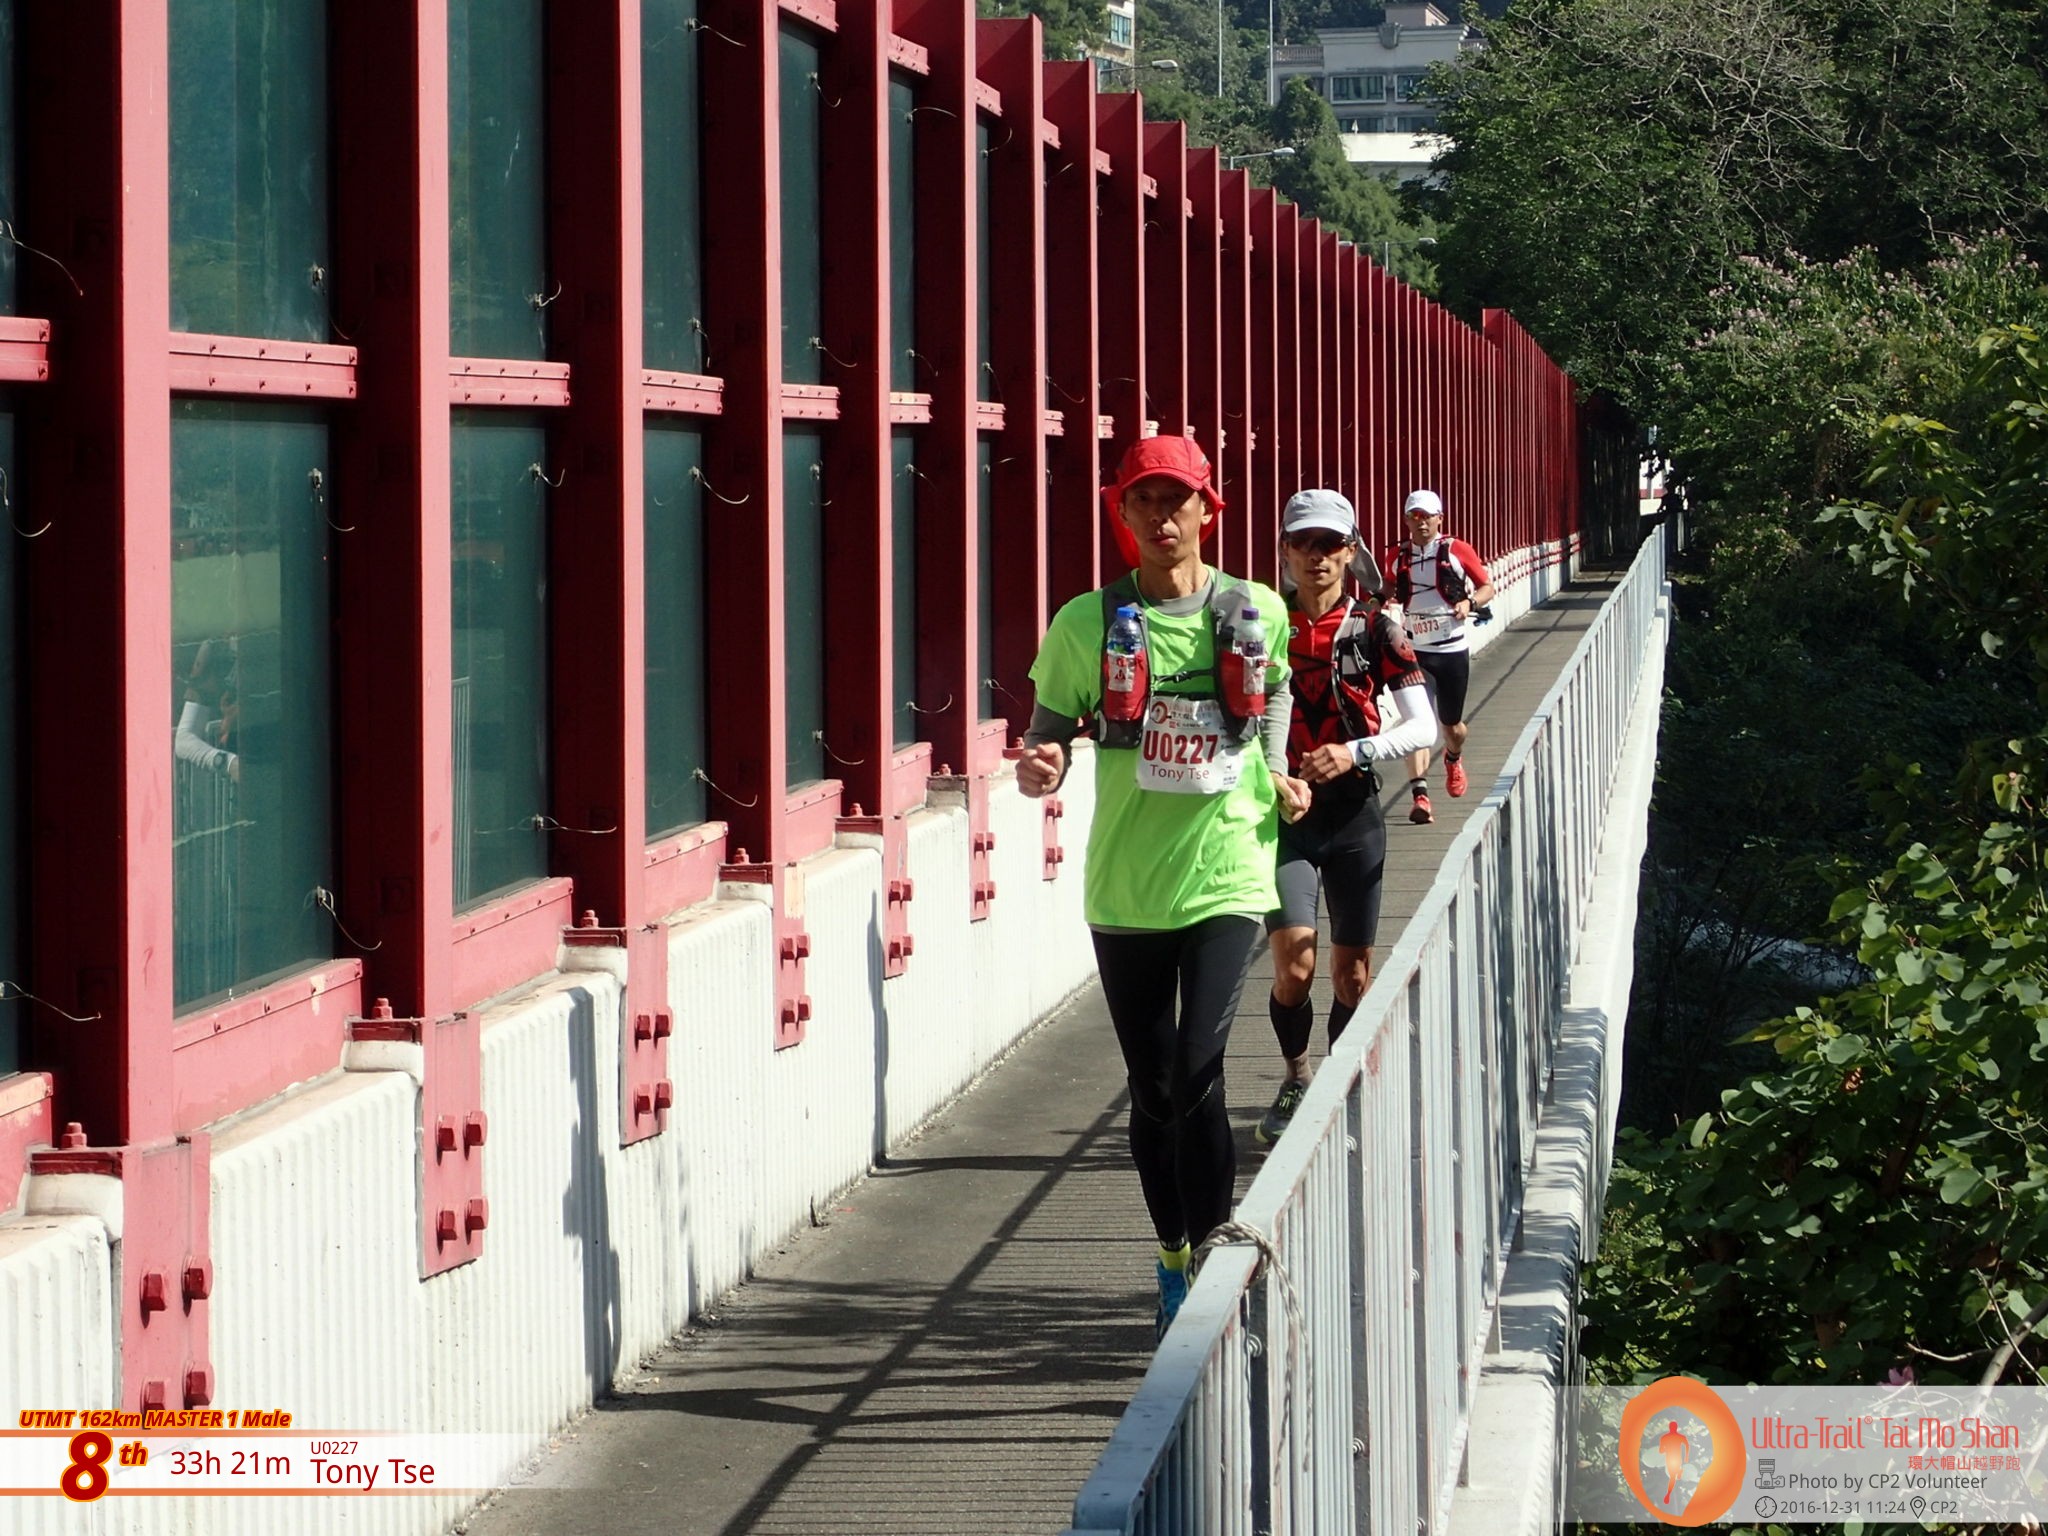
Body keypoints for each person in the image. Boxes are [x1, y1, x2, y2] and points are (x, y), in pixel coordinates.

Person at [1015, 434, 1310, 1338]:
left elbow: (1275, 689)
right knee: (1151, 1088)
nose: (1160, 516)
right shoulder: (1087, 622)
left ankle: (1218, 1262)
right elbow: (1048, 732)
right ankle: (1173, 1254)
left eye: (1175, 499)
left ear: (1207, 509)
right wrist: (1041, 765)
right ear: (1123, 513)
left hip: (1229, 869)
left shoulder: (1256, 608)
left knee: (1197, 1071)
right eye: (1142, 500)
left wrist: (1277, 767)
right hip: (1127, 888)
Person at [1256, 490, 1438, 1144]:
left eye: (1330, 544)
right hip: (1286, 815)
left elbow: (1424, 727)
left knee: (1352, 975)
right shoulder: (1260, 625)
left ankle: (1336, 1083)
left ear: (1351, 551)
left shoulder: (1376, 629)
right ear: (1284, 551)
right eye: (1304, 543)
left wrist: (1354, 751)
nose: (1317, 557)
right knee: (1294, 967)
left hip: (1355, 811)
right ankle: (1296, 1076)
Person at [1384, 488, 1494, 824]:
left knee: (1452, 727)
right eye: (1414, 516)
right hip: (1414, 651)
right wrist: (1379, 601)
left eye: (1427, 516)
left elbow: (1486, 587)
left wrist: (1469, 603)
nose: (1421, 523)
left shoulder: (1457, 550)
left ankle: (1453, 757)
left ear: (1440, 519)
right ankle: (1420, 796)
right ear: (1406, 520)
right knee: (1418, 723)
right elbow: (1388, 587)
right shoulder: (1397, 556)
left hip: (1451, 650)